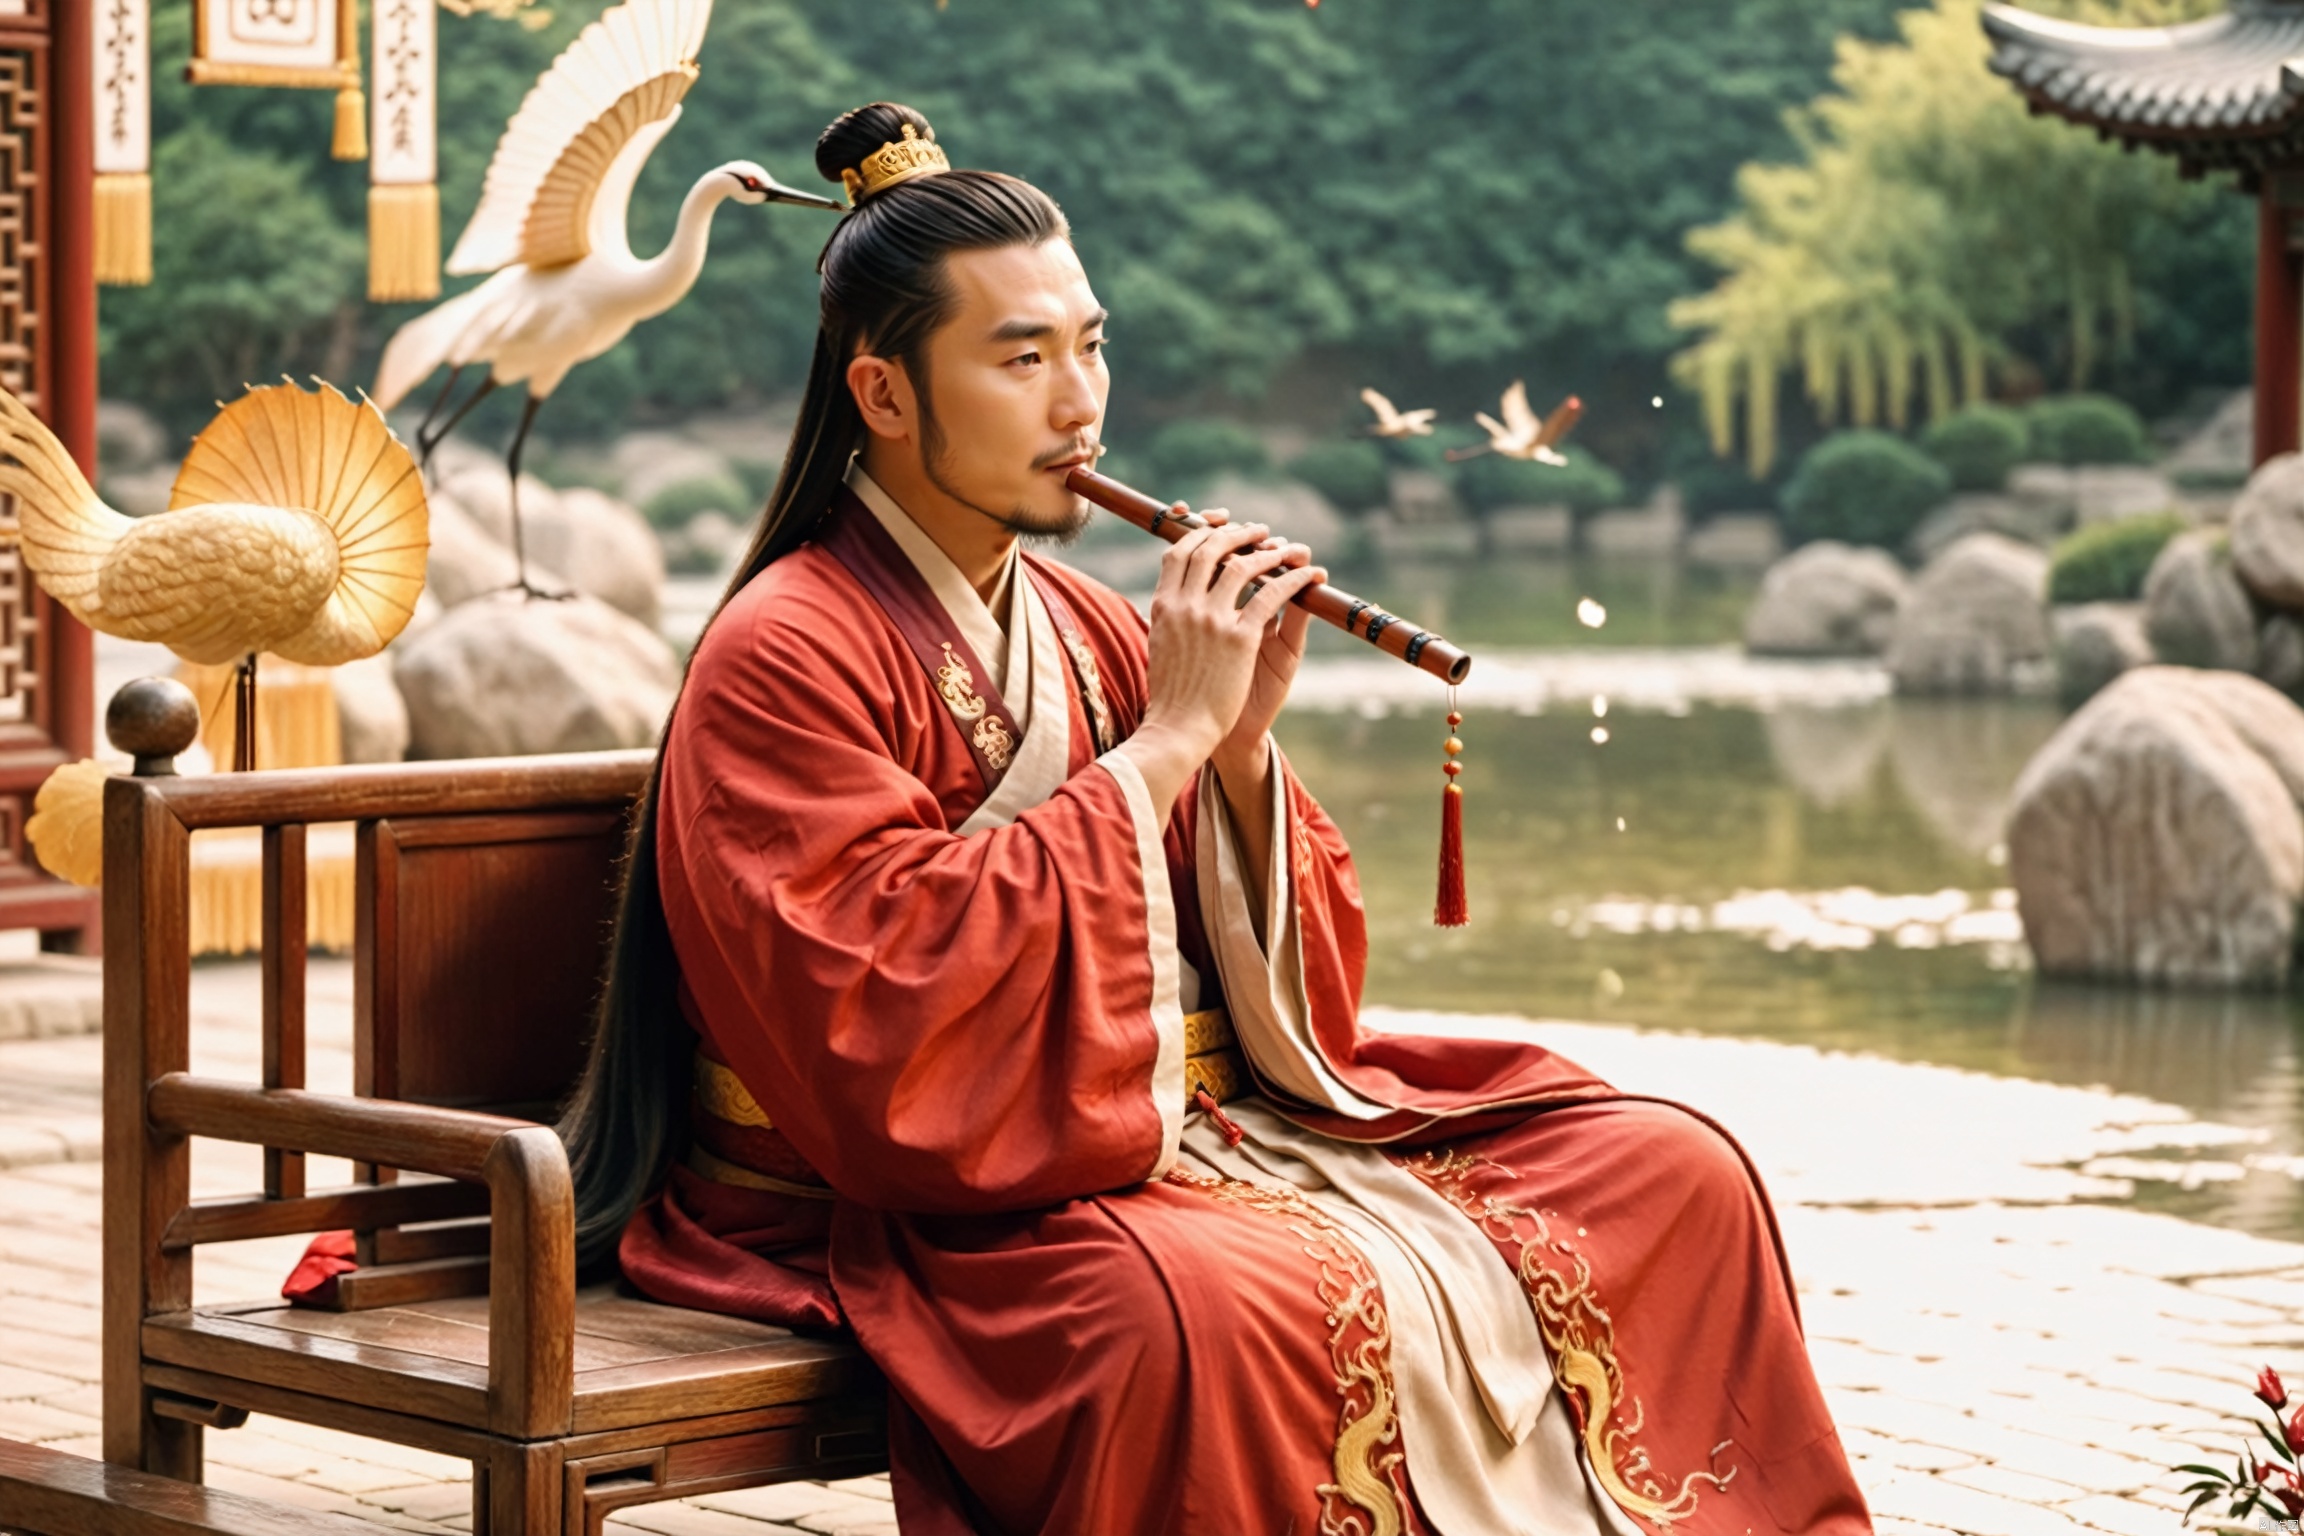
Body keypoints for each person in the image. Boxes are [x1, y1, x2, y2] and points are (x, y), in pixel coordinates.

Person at [558, 101, 1874, 1536]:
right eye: (1021, 359)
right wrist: (1173, 737)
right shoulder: (786, 650)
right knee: (1206, 1316)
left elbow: (1292, 982)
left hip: (1158, 1121)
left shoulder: (1079, 616)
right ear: (882, 397)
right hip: (927, 1194)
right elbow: (878, 1003)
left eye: (1092, 345)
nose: (1083, 403)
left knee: (1665, 1172)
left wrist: (1238, 749)